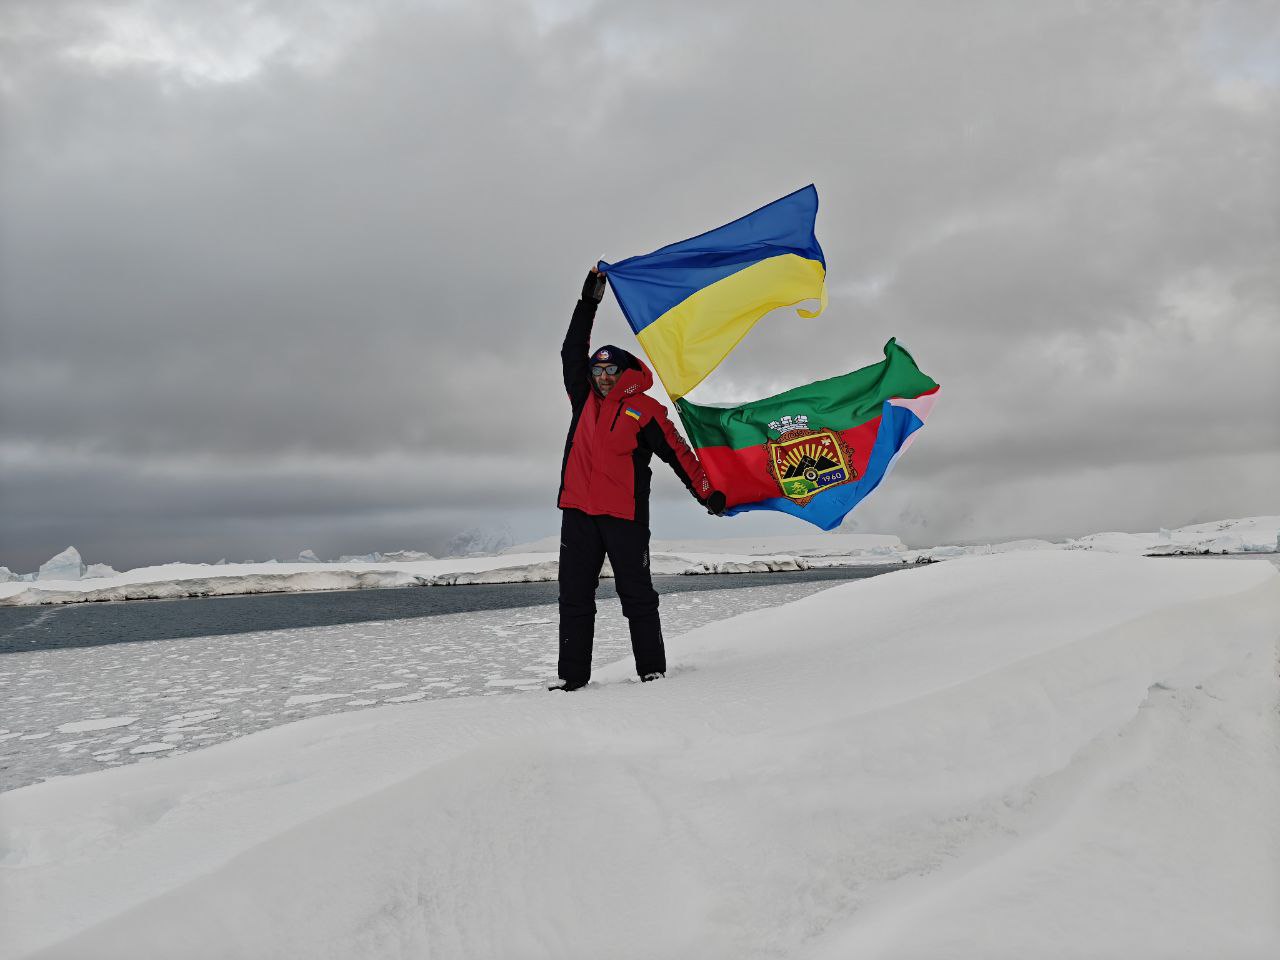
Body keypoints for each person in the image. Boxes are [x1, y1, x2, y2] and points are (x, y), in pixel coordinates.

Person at [550, 267, 727, 692]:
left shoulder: (645, 410)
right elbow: (571, 350)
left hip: (624, 518)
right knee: (574, 598)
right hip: (578, 514)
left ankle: (652, 672)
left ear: (626, 371)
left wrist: (706, 493)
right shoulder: (582, 398)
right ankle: (572, 679)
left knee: (638, 597)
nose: (603, 377)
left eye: (611, 370)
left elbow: (678, 454)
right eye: (597, 370)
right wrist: (588, 302)